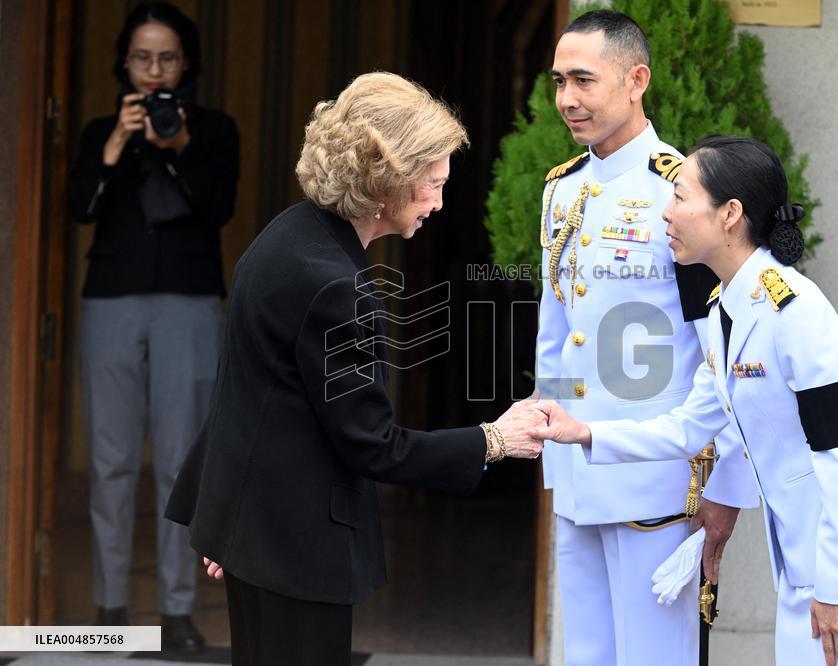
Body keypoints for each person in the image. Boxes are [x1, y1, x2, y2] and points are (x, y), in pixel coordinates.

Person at [164, 72, 544, 666]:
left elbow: (251, 393)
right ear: (385, 181)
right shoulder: (334, 286)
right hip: (295, 550)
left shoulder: (285, 236)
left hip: (258, 536)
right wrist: (496, 439)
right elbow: (373, 446)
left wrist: (228, 520)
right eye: (431, 185)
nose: (440, 203)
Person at [535, 136, 838, 666]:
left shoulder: (796, 312)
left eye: (680, 197)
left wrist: (836, 586)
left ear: (730, 215)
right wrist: (582, 432)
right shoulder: (726, 310)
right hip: (805, 549)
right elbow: (686, 427)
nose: (665, 213)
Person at [536, 10, 758, 665]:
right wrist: (554, 456)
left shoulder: (682, 188)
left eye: (584, 79)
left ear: (637, 80)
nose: (567, 99)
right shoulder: (562, 189)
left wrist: (726, 489)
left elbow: (729, 349)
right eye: (558, 82)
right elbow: (557, 331)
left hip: (659, 485)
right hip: (578, 479)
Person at [67, 2, 239, 653]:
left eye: (166, 58)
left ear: (185, 62)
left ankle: (176, 614)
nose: (154, 71)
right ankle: (109, 610)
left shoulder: (214, 130)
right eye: (142, 58)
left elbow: (219, 209)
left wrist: (181, 148)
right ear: (126, 62)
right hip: (111, 300)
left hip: (189, 303)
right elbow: (79, 207)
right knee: (110, 462)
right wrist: (115, 146)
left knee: (179, 464)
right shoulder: (97, 130)